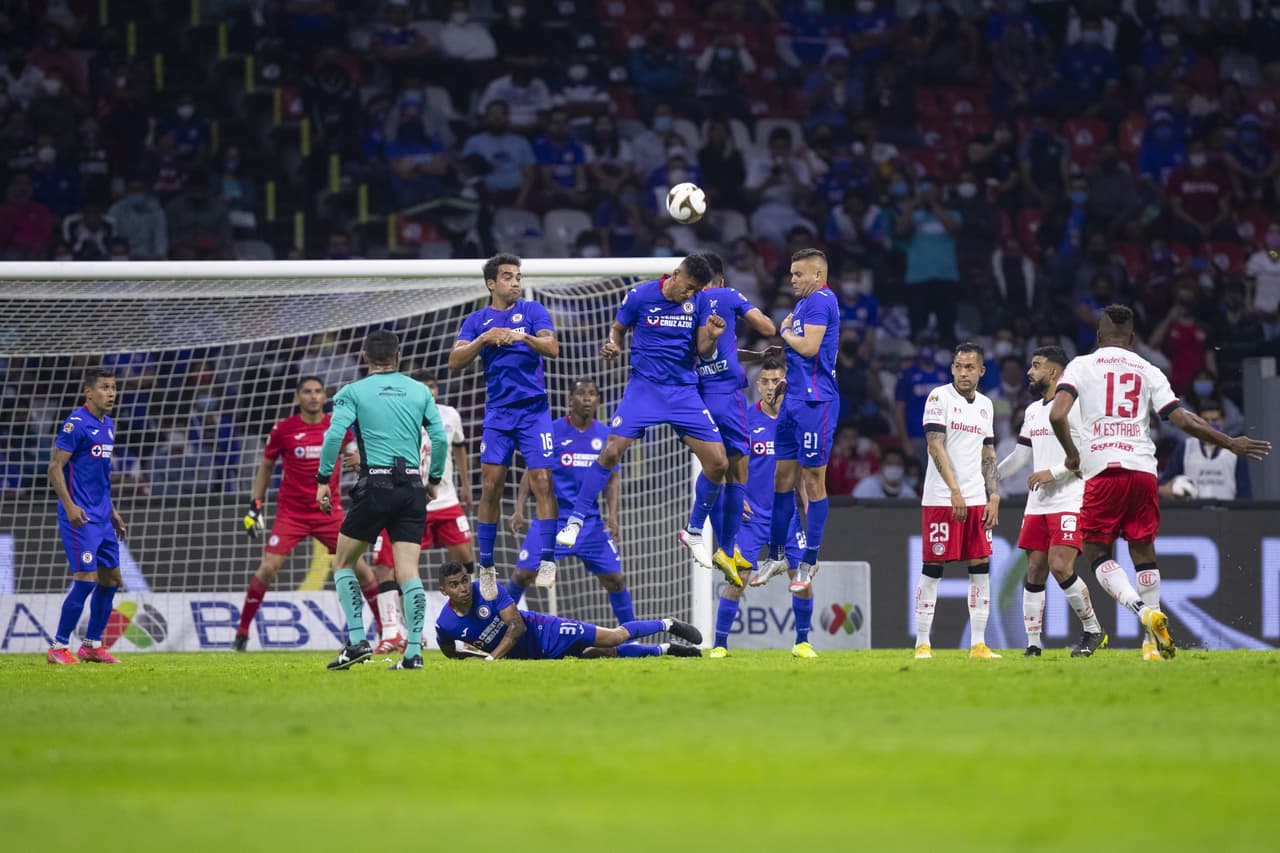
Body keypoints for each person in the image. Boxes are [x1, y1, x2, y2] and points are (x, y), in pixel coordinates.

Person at [1050, 306, 1271, 660]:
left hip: (1103, 469)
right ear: (1133, 339)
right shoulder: (1147, 368)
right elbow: (1181, 419)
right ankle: (1150, 646)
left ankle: (1144, 613)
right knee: (1143, 552)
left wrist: (1072, 453)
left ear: (1098, 337)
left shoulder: (1081, 365)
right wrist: (1230, 442)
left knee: (1095, 551)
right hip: (1142, 470)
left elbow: (1057, 413)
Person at [555, 255, 731, 576]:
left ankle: (693, 531)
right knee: (610, 451)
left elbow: (702, 349)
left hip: (683, 392)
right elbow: (618, 328)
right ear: (675, 275)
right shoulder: (640, 296)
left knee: (719, 463)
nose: (689, 295)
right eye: (687, 288)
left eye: (695, 291)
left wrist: (713, 335)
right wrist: (613, 345)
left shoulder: (700, 301)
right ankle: (575, 519)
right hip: (644, 389)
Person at [316, 330, 448, 671]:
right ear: (398, 355)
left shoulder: (352, 392)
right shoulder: (419, 391)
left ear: (363, 356)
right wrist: (433, 480)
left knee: (343, 563)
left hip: (375, 485)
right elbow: (438, 438)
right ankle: (414, 652)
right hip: (412, 488)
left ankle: (357, 640)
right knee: (409, 572)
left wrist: (322, 480)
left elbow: (333, 435)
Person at [233, 377, 382, 652]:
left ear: (324, 396)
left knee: (361, 569)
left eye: (318, 392)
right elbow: (266, 467)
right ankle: (241, 633)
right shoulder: (283, 430)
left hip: (329, 512)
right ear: (297, 397)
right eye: (307, 392)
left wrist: (359, 462)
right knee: (268, 568)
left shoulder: (338, 426)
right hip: (292, 513)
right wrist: (255, 505)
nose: (314, 396)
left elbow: (355, 459)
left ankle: (387, 632)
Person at [449, 254, 560, 601]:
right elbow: (455, 361)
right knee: (491, 486)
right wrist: (484, 339)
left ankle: (547, 559)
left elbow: (552, 347)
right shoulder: (477, 320)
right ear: (491, 284)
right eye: (509, 277)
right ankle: (485, 566)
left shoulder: (532, 312)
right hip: (498, 414)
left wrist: (521, 337)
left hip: (534, 411)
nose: (516, 282)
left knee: (542, 479)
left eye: (518, 276)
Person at [996, 347, 1108, 658]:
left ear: (1055, 372)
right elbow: (1020, 456)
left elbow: (1087, 454)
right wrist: (988, 475)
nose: (1029, 372)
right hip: (1038, 504)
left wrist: (1053, 474)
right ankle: (1033, 644)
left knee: (1060, 565)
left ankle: (1092, 629)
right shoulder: (1032, 411)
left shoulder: (1075, 406)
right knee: (1034, 570)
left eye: (1036, 366)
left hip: (1070, 497)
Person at [752, 249, 840, 596]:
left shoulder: (821, 300)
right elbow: (802, 361)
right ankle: (775, 555)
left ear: (818, 275)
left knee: (813, 482)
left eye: (798, 274)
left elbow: (808, 348)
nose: (792, 280)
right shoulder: (805, 304)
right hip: (794, 402)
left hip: (816, 405)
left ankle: (809, 560)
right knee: (781, 479)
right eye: (791, 274)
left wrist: (785, 332)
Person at [368, 370, 475, 654]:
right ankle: (392, 631)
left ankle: (473, 625)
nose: (429, 391)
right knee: (386, 563)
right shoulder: (398, 415)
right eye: (423, 387)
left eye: (432, 386)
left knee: (466, 559)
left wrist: (466, 484)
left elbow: (460, 448)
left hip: (446, 500)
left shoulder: (450, 415)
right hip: (406, 502)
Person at [508, 378, 632, 622]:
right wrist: (519, 509)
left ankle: (631, 637)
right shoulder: (551, 431)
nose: (587, 398)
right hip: (552, 519)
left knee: (616, 580)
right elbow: (531, 473)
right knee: (522, 575)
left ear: (598, 400)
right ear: (569, 399)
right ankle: (491, 628)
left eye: (592, 394)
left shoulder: (606, 435)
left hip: (590, 522)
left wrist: (613, 516)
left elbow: (612, 479)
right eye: (581, 393)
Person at [716, 359, 813, 658]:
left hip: (786, 517)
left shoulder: (796, 422)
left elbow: (805, 475)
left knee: (802, 580)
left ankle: (802, 642)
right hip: (751, 516)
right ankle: (719, 645)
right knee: (738, 578)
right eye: (766, 381)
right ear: (758, 386)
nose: (772, 387)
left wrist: (810, 517)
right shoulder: (744, 419)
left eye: (777, 381)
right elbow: (720, 461)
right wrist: (732, 494)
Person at [692, 251, 778, 584]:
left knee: (716, 467)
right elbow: (767, 326)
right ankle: (723, 546)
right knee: (737, 468)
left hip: (695, 398)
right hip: (726, 398)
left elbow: (713, 349)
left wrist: (754, 356)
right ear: (721, 280)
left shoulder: (687, 307)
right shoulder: (725, 295)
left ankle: (709, 538)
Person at [912, 343, 1002, 660]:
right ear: (952, 368)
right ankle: (922, 641)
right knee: (933, 568)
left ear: (981, 371)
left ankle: (978, 643)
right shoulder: (939, 397)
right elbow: (935, 446)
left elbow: (987, 451)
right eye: (958, 366)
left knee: (980, 568)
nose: (963, 373)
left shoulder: (987, 406)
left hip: (978, 498)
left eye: (969, 367)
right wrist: (954, 490)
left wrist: (994, 494)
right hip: (941, 498)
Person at [435, 562, 702, 660]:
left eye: (464, 581)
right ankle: (666, 650)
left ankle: (668, 623)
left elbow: (517, 627)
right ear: (444, 591)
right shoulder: (445, 624)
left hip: (544, 632)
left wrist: (491, 659)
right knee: (602, 654)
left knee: (614, 637)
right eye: (454, 585)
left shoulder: (487, 589)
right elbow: (448, 648)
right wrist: (468, 658)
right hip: (529, 656)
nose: (463, 588)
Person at [45, 368, 128, 664]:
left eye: (114, 387)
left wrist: (113, 511)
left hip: (102, 515)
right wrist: (69, 506)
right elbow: (54, 467)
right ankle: (58, 646)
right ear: (89, 392)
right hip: (80, 516)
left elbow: (100, 477)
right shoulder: (75, 424)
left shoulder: (108, 424)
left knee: (112, 578)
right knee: (86, 579)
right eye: (105, 387)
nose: (111, 393)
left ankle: (92, 645)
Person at [1159, 399, 1252, 501]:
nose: (1210, 425)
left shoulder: (1234, 450)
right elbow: (1165, 482)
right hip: (1193, 513)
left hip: (1226, 513)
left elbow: (1244, 493)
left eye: (1215, 420)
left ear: (1223, 422)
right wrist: (1173, 489)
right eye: (1205, 420)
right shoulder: (1185, 448)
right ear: (1197, 421)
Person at [852, 447, 917, 499]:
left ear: (904, 468)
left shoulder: (909, 494)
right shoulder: (866, 486)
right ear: (881, 466)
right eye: (889, 464)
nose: (894, 468)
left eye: (898, 464)